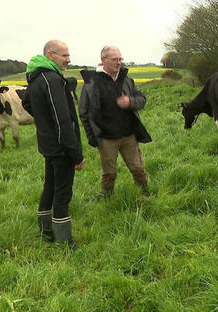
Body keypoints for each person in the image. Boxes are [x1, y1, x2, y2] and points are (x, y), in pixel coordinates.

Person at [23, 39, 85, 249]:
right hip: (61, 147)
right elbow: (63, 120)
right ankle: (65, 241)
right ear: (50, 55)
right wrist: (76, 154)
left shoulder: (35, 77)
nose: (68, 59)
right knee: (62, 193)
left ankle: (45, 230)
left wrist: (43, 123)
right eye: (64, 55)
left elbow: (26, 102)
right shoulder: (51, 79)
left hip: (48, 145)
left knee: (49, 187)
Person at [79, 46, 151, 197]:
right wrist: (92, 136)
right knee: (109, 173)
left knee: (138, 168)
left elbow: (142, 100)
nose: (118, 63)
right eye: (114, 59)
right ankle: (107, 199)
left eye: (120, 59)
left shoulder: (126, 80)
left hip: (129, 135)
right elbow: (84, 112)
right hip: (106, 138)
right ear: (103, 60)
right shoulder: (91, 83)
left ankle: (145, 195)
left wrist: (129, 101)